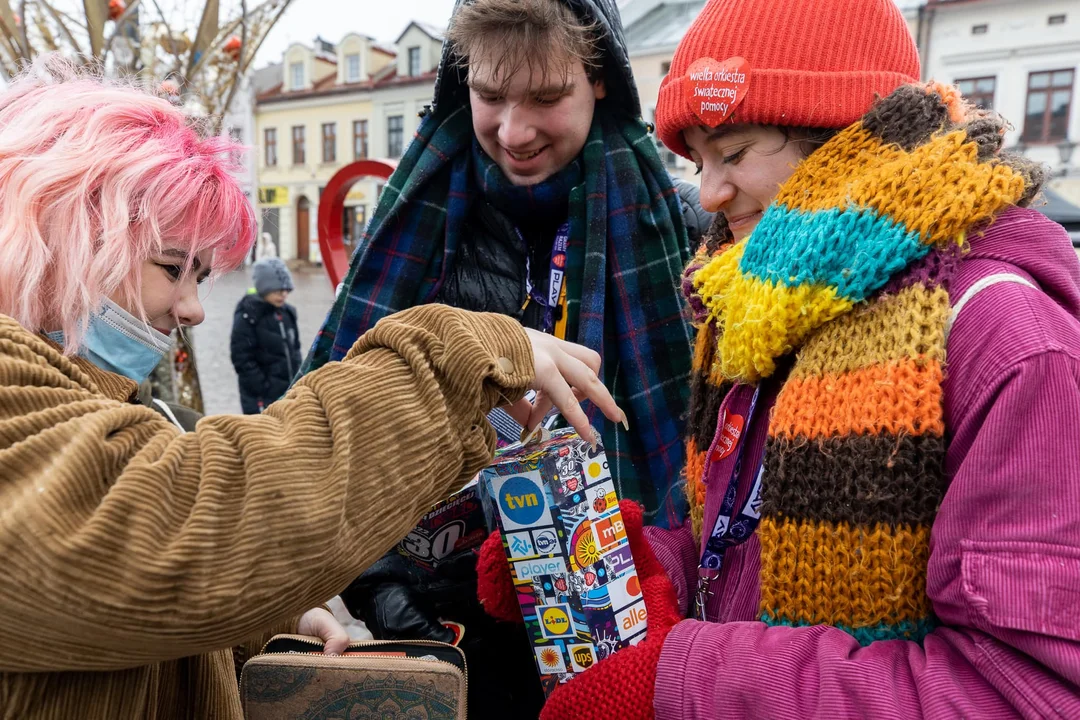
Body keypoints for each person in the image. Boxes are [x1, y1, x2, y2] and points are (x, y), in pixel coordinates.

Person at [479, 0, 1080, 717]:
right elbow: (734, 558)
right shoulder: (764, 302)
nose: (707, 192)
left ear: (853, 136)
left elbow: (1024, 692)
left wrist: (684, 680)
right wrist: (637, 569)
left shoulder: (1002, 335)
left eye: (733, 152)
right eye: (698, 160)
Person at [0, 57, 623, 720]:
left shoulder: (93, 401)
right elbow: (175, 522)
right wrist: (451, 361)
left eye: (200, 277)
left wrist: (259, 629)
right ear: (63, 231)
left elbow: (115, 605)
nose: (192, 310)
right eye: (172, 267)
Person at [306, 0, 699, 716]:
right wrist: (387, 596)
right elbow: (325, 434)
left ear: (602, 80)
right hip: (440, 633)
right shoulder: (415, 227)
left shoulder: (685, 230)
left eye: (546, 98)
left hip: (628, 628)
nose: (513, 132)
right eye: (490, 96)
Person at [230, 257, 302, 414]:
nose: (283, 295)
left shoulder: (288, 313)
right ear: (264, 288)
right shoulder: (248, 315)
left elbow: (295, 349)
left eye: (286, 290)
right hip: (261, 397)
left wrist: (299, 377)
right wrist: (262, 387)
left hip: (290, 392)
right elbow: (242, 358)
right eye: (277, 291)